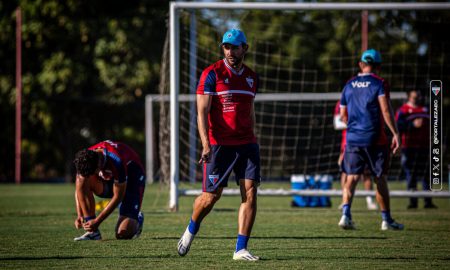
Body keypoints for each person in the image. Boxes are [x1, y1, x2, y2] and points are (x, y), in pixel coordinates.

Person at [177, 29, 261, 261]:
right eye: (226, 46)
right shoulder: (211, 74)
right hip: (220, 145)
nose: (230, 51)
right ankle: (191, 229)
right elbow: (201, 113)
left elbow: (250, 110)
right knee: (210, 197)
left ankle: (240, 249)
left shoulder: (252, 77)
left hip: (247, 144)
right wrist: (206, 145)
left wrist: (253, 137)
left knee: (251, 193)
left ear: (245, 48)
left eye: (235, 47)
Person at [338, 49, 404, 231]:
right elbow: (385, 110)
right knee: (379, 177)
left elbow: (343, 115)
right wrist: (396, 134)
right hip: (375, 138)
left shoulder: (349, 85)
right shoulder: (380, 83)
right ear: (379, 67)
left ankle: (345, 214)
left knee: (351, 178)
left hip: (353, 139)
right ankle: (386, 220)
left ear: (360, 64)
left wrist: (355, 125)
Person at [73, 140, 145, 240]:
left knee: (123, 233)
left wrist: (97, 221)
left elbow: (118, 196)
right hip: (113, 179)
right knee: (81, 179)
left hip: (132, 179)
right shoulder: (87, 158)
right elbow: (79, 187)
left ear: (98, 166)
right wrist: (80, 215)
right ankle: (93, 233)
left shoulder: (117, 161)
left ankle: (137, 218)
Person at [396, 89, 436, 209]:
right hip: (409, 147)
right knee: (411, 175)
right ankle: (413, 202)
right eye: (414, 97)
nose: (417, 99)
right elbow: (398, 126)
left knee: (426, 175)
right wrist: (412, 125)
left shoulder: (426, 109)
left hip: (424, 147)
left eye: (418, 97)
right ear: (409, 97)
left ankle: (428, 202)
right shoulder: (402, 110)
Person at [334, 101, 378, 211]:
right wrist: (356, 124)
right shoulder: (342, 102)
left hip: (366, 141)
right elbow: (337, 123)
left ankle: (369, 201)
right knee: (346, 173)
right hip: (348, 143)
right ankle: (344, 202)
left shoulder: (367, 99)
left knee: (366, 173)